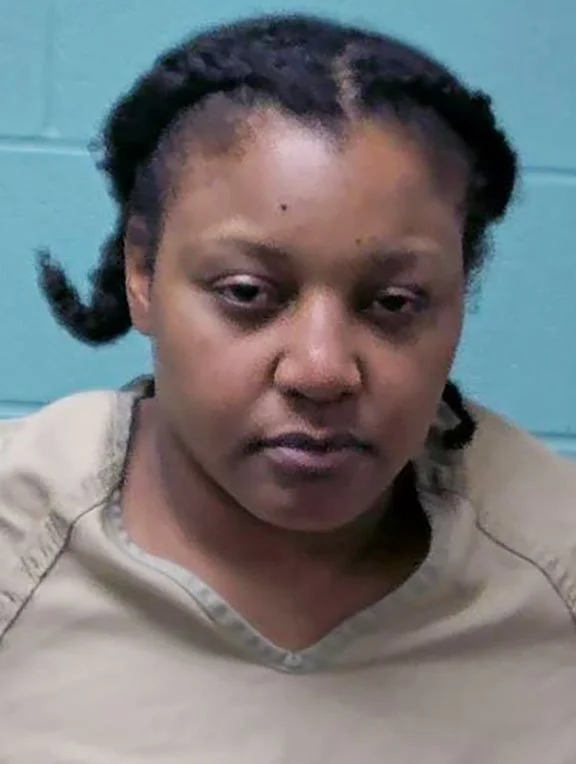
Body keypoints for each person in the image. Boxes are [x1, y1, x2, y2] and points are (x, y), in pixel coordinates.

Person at [1, 12, 575, 763]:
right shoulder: (17, 540)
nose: (321, 370)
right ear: (142, 272)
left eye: (394, 303)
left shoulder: (555, 568)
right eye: (246, 293)